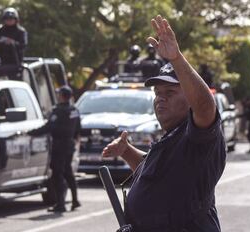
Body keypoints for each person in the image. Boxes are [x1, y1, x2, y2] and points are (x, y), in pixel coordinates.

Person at [103, 15, 226, 231]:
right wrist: (127, 151)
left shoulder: (198, 137)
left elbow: (206, 107)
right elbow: (156, 175)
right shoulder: (171, 137)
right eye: (157, 92)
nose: (161, 97)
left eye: (170, 92)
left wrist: (176, 59)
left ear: (189, 97)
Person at [28, 86, 81, 213]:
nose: (57, 96)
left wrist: (31, 133)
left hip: (59, 147)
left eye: (59, 94)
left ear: (62, 96)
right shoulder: (75, 110)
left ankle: (60, 204)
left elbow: (49, 127)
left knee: (57, 174)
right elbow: (78, 129)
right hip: (69, 145)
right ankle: (75, 200)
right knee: (68, 172)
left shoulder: (58, 111)